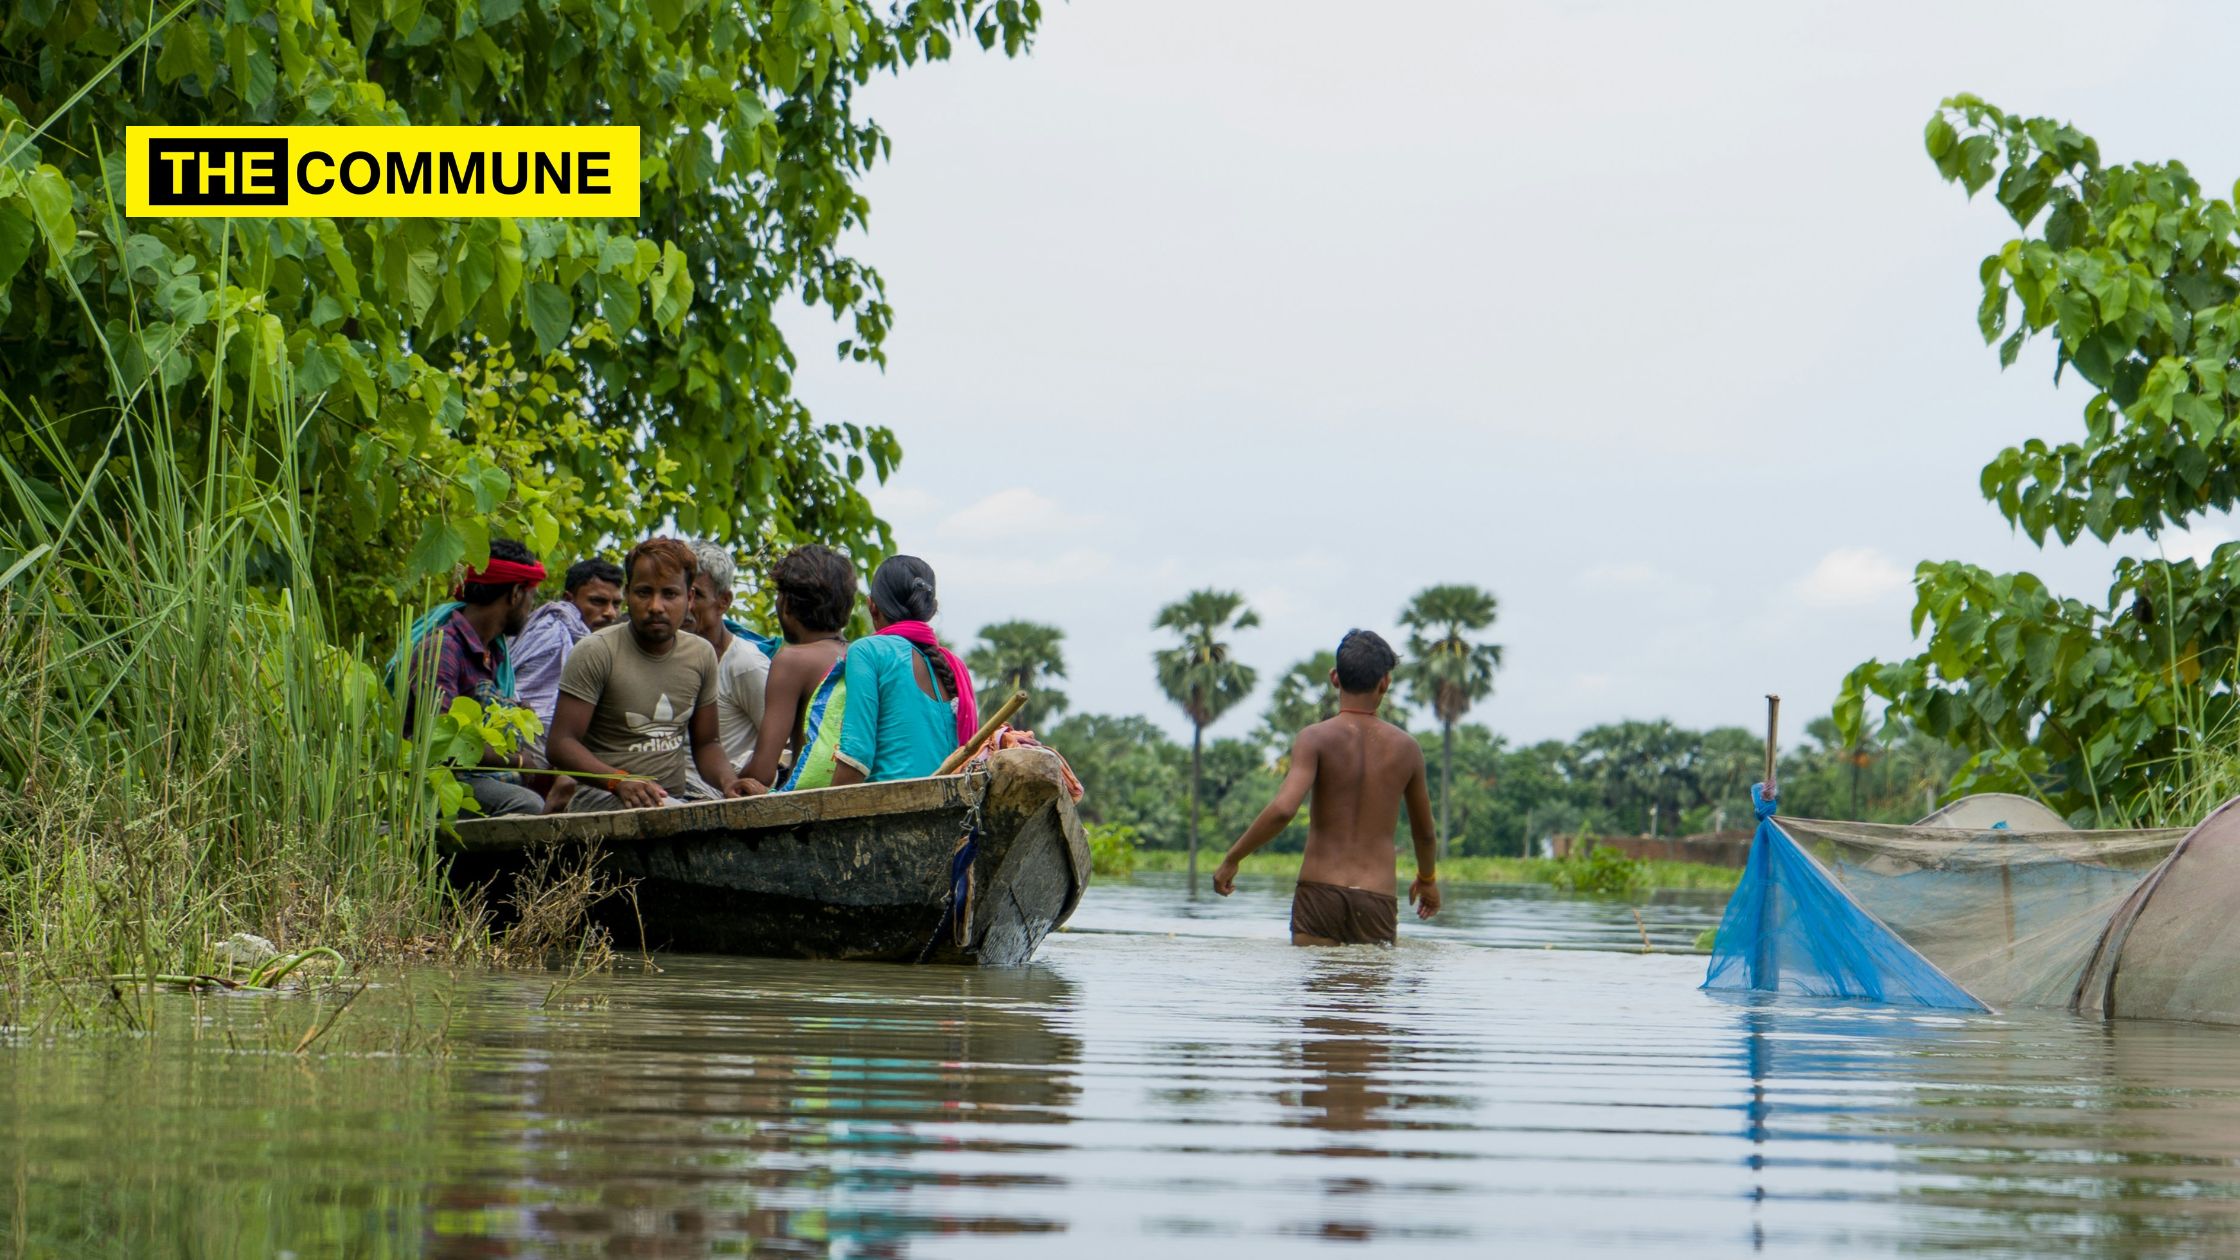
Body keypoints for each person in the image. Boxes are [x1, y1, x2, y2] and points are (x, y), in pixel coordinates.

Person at [1212, 629, 1440, 945]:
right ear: (1384, 682)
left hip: (1319, 891)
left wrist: (1233, 858)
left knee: (1317, 991)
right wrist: (1427, 880)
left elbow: (1282, 809)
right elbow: (1425, 832)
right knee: (1367, 993)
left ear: (1335, 678)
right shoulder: (1407, 748)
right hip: (1376, 897)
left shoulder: (1315, 738)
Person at [546, 538, 751, 810]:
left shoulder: (700, 654)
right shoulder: (596, 651)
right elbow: (561, 744)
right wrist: (618, 781)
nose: (656, 606)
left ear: (689, 598)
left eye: (669, 594)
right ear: (629, 593)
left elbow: (707, 744)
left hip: (672, 797)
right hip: (604, 798)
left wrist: (728, 782)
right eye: (644, 593)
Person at [402, 540, 548, 817]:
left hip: (473, 777)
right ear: (516, 593)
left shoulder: (493, 653)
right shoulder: (443, 648)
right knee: (527, 805)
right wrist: (516, 761)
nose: (531, 608)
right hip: (437, 780)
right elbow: (442, 742)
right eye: (532, 597)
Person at [828, 556, 977, 787]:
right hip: (950, 811)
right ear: (931, 609)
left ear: (872, 606)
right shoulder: (953, 665)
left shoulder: (867, 651)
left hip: (887, 812)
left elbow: (856, 755)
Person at [737, 545, 856, 793]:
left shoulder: (791, 661)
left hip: (807, 802)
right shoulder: (861, 655)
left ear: (787, 605)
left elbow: (762, 771)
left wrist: (730, 779)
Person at [512, 557, 624, 741]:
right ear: (568, 599)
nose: (610, 613)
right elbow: (531, 703)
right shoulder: (553, 634)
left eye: (616, 604)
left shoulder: (595, 641)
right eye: (598, 601)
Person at [686, 539, 770, 775]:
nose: (686, 605)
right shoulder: (668, 653)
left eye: (697, 596)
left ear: (723, 601)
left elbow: (779, 745)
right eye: (680, 593)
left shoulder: (745, 664)